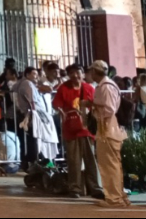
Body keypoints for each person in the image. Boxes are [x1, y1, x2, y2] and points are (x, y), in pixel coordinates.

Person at [82, 60, 130, 209]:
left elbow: (109, 109)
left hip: (107, 128)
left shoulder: (106, 87)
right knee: (112, 165)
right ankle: (117, 196)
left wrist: (91, 105)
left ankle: (114, 198)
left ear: (95, 72)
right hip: (108, 128)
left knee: (109, 165)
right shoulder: (105, 85)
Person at [53, 64, 101, 200]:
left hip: (87, 129)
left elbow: (95, 105)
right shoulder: (63, 88)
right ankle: (75, 188)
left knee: (90, 158)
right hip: (71, 128)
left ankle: (95, 187)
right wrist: (64, 113)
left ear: (83, 73)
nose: (75, 75)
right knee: (74, 160)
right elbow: (56, 104)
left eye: (78, 72)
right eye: (72, 73)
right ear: (68, 75)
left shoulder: (89, 88)